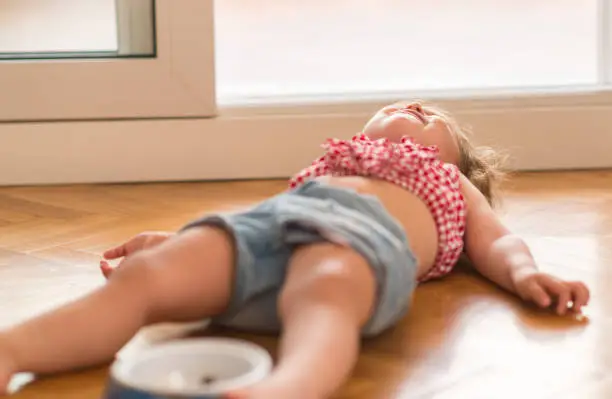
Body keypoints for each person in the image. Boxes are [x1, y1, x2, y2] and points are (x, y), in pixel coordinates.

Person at [0, 101, 591, 399]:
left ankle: (286, 388)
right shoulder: (332, 163)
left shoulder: (449, 185)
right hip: (275, 230)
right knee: (152, 275)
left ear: (456, 162)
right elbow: (262, 224)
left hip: (358, 247)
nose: (415, 107)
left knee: (327, 287)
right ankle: (15, 348)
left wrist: (527, 274)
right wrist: (182, 241)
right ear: (361, 135)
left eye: (435, 117)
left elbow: (500, 242)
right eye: (401, 103)